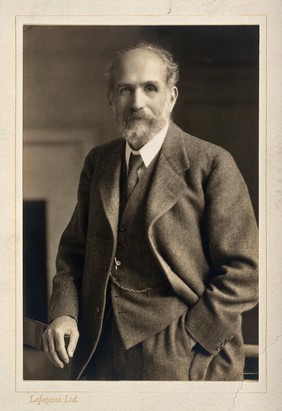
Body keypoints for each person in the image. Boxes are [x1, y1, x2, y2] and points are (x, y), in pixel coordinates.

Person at [42, 41, 258, 381]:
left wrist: (193, 337)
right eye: (125, 90)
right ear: (111, 99)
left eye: (149, 88)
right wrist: (64, 314)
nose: (137, 102)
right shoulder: (99, 161)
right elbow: (73, 253)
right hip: (99, 351)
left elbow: (246, 273)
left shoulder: (212, 164)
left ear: (171, 97)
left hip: (181, 356)